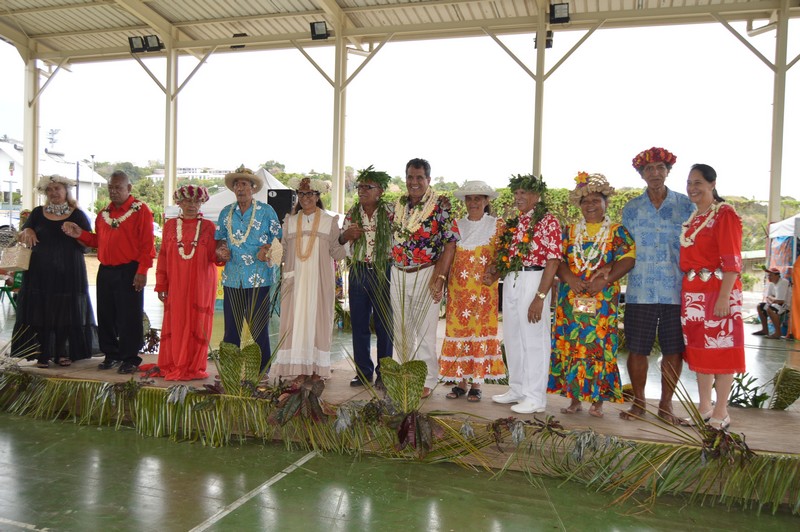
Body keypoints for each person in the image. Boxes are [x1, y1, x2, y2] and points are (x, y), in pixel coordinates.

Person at [547, 173, 635, 417]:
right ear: (579, 205)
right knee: (572, 345)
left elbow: (627, 259)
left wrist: (604, 280)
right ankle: (574, 399)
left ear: (606, 203)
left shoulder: (617, 232)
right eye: (585, 202)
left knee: (598, 347)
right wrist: (571, 279)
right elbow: (558, 259)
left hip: (601, 300)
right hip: (571, 298)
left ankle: (598, 402)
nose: (590, 205)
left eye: (596, 200)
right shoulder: (569, 231)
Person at [619, 147, 694, 424]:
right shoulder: (631, 209)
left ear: (668, 171)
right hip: (639, 291)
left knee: (674, 350)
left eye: (660, 167)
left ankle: (666, 406)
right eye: (649, 169)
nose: (655, 173)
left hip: (676, 289)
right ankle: (639, 403)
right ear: (641, 174)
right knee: (637, 349)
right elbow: (623, 249)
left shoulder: (686, 205)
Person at [62, 170, 155, 374]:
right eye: (110, 187)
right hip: (106, 270)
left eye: (118, 187)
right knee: (106, 314)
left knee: (129, 316)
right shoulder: (103, 213)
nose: (113, 191)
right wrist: (81, 234)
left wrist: (142, 271)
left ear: (129, 188)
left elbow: (148, 245)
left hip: (129, 270)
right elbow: (98, 241)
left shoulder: (141, 210)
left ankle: (130, 358)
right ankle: (111, 354)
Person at [680, 163, 744, 429]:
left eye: (698, 183)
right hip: (694, 292)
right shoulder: (695, 218)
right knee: (699, 352)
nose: (692, 188)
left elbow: (732, 259)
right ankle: (704, 407)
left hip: (719, 290)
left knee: (722, 349)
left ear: (712, 184)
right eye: (689, 183)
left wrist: (723, 298)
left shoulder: (724, 214)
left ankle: (721, 411)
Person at [490, 174, 561, 414]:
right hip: (512, 277)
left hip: (535, 278)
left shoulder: (549, 221)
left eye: (523, 193)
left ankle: (535, 397)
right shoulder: (517, 222)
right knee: (512, 336)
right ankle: (518, 388)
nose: (518, 198)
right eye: (516, 193)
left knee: (534, 339)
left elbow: (553, 261)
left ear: (536, 195)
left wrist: (540, 297)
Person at [391, 158, 459, 398]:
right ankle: (405, 375)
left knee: (426, 331)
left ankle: (428, 379)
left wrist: (439, 277)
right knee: (401, 330)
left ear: (428, 180)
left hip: (426, 272)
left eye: (419, 177)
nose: (414, 182)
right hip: (398, 272)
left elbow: (450, 243)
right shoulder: (397, 205)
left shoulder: (440, 207)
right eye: (410, 176)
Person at [12, 175, 98, 367]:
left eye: (57, 188)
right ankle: (42, 354)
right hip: (39, 273)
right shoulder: (36, 213)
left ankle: (62, 353)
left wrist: (76, 233)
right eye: (49, 190)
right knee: (40, 311)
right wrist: (27, 231)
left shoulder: (77, 215)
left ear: (66, 191)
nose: (53, 193)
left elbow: (89, 244)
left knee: (65, 312)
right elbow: (21, 235)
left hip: (69, 273)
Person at [271, 177, 345, 379]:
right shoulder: (290, 221)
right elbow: (283, 251)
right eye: (302, 194)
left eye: (310, 194)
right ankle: (297, 368)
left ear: (318, 196)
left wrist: (349, 240)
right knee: (294, 323)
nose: (305, 198)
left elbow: (337, 252)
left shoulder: (330, 221)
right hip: (295, 280)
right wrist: (271, 251)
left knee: (318, 321)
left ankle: (316, 369)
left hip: (320, 281)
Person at [439, 180, 505, 402]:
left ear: (487, 201)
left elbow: (503, 257)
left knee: (478, 333)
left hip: (484, 294)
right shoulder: (456, 225)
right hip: (458, 293)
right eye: (469, 198)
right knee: (460, 333)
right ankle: (461, 382)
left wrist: (494, 270)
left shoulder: (497, 225)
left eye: (478, 198)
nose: (473, 202)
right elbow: (447, 254)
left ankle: (477, 384)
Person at [147, 185, 220, 380]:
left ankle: (194, 366)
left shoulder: (208, 227)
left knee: (198, 322)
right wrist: (161, 284)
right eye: (187, 201)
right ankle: (173, 363)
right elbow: (163, 256)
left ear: (202, 202)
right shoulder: (171, 225)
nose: (192, 205)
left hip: (201, 284)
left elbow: (216, 257)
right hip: (176, 284)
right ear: (179, 202)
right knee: (177, 321)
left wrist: (224, 252)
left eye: (196, 201)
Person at [215, 166, 282, 372]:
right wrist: (221, 251)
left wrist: (267, 250)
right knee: (231, 330)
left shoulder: (266, 211)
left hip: (258, 278)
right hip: (233, 278)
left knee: (258, 329)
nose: (240, 188)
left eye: (244, 184)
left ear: (253, 188)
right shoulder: (226, 212)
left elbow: (278, 239)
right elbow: (219, 241)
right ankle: (230, 371)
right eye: (236, 184)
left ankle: (263, 371)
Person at [339, 166, 394, 387]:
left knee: (384, 325)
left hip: (384, 270)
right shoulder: (352, 212)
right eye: (360, 186)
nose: (362, 190)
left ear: (379, 190)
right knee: (359, 324)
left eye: (367, 186)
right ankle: (363, 372)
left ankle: (385, 373)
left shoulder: (391, 212)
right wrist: (346, 236)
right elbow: (341, 243)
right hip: (358, 271)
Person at [753, 268, 790, 339]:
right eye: (768, 276)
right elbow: (767, 297)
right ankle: (765, 330)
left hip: (785, 306)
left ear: (777, 276)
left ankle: (778, 333)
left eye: (770, 275)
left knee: (769, 308)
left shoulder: (783, 282)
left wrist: (772, 299)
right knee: (760, 306)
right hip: (774, 305)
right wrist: (773, 299)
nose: (769, 277)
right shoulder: (771, 284)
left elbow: (780, 301)